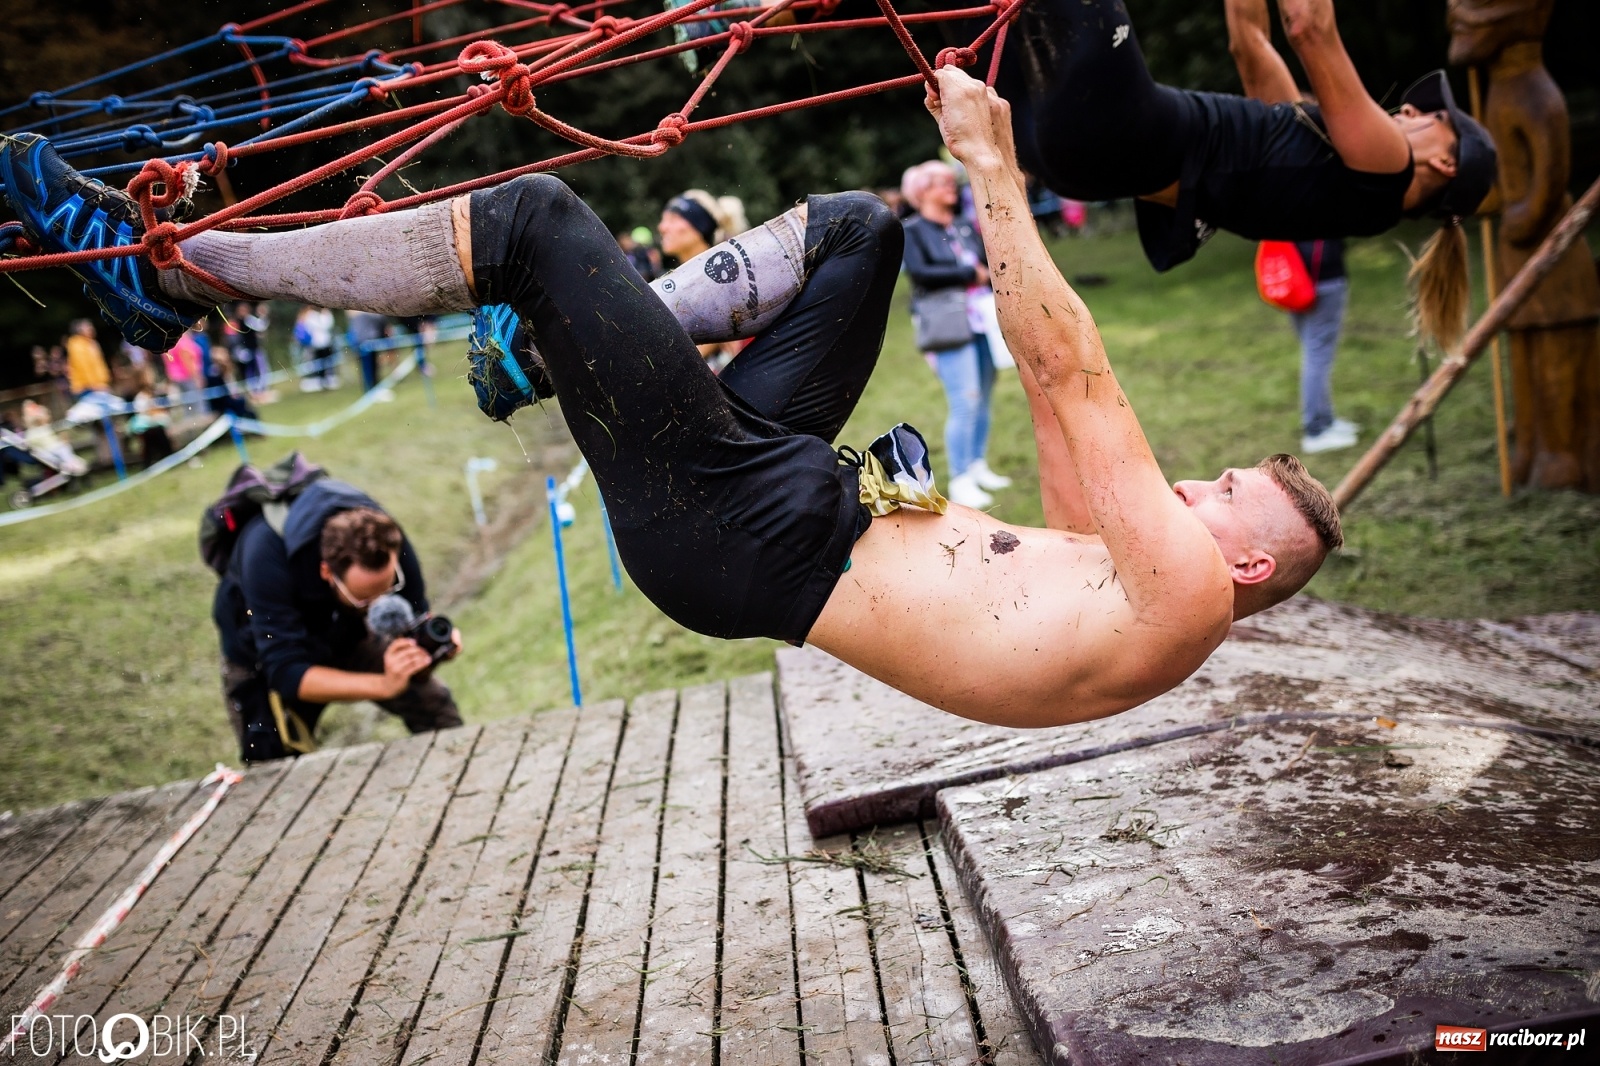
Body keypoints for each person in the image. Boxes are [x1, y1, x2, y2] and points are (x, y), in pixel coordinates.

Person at [1, 79, 1343, 728]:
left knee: (532, 219)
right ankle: (541, 357)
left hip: (740, 526)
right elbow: (1055, 430)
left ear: (1244, 563)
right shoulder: (1134, 592)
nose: (1202, 482)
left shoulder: (1188, 597)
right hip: (786, 483)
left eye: (1229, 492)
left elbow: (1068, 368)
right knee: (860, 232)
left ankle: (168, 274)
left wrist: (993, 166)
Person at [1002, 0, 1496, 352]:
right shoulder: (1312, 160)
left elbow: (1310, 28)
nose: (1410, 108)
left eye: (1435, 118)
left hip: (1122, 126)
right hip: (1076, 162)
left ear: (1445, 165)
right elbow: (1249, 42)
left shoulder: (1389, 170)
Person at [210, 478, 464, 762]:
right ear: (327, 572)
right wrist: (385, 684)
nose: (379, 607)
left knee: (431, 702)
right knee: (269, 761)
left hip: (344, 630)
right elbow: (286, 672)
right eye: (365, 599)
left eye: (389, 588)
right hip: (262, 657)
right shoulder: (265, 556)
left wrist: (434, 646)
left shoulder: (385, 540)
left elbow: (418, 617)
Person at [901, 159, 1012, 509]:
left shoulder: (963, 225)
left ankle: (977, 465)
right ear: (922, 191)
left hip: (983, 321)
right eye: (943, 182)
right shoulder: (913, 230)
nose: (952, 187)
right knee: (965, 399)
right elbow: (920, 273)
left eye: (952, 181)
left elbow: (989, 263)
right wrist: (968, 273)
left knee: (984, 394)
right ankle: (961, 478)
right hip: (948, 324)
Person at [658, 189, 750, 372]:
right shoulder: (681, 282)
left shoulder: (724, 281)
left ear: (699, 228)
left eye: (673, 219)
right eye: (663, 219)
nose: (662, 227)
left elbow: (677, 363)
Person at [1283, 238, 1358, 453]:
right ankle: (1315, 430)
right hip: (1321, 279)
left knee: (1314, 354)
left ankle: (1326, 420)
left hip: (1292, 278)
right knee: (1316, 356)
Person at [63, 318, 110, 398]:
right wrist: (94, 385)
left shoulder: (91, 343)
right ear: (80, 331)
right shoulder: (77, 345)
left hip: (98, 385)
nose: (92, 329)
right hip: (87, 387)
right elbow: (83, 366)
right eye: (88, 327)